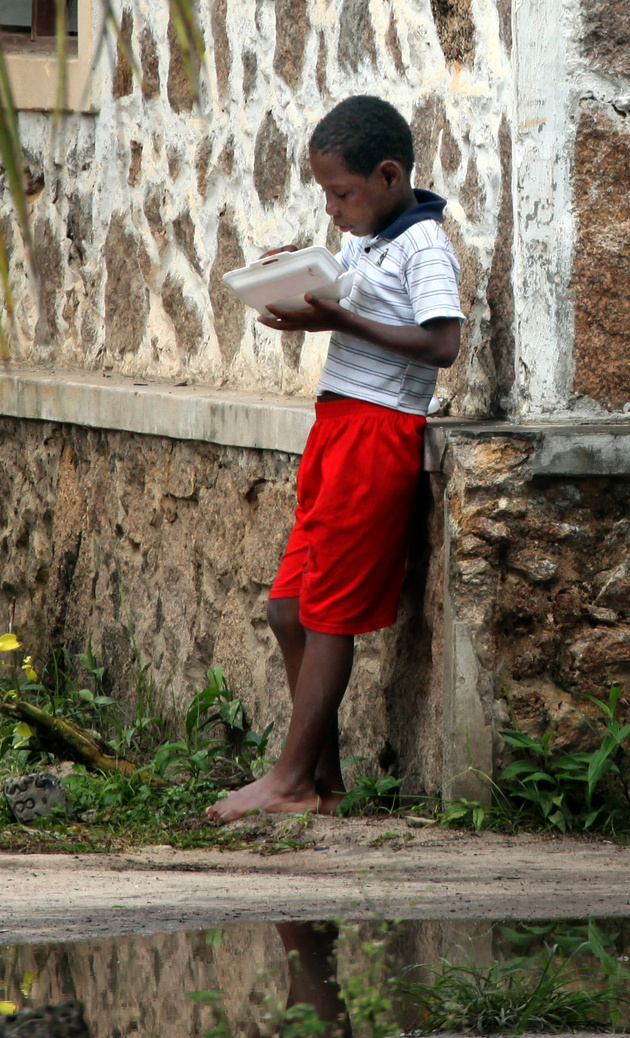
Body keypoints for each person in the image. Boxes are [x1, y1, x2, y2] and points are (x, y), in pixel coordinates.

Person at [206, 95, 464, 825]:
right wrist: (296, 285)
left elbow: (441, 344)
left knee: (326, 616)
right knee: (288, 607)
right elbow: (347, 300)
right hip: (335, 427)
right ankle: (320, 781)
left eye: (341, 193)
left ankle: (289, 782)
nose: (333, 209)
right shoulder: (366, 241)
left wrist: (337, 319)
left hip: (378, 434)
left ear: (388, 176)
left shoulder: (422, 246)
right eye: (325, 194)